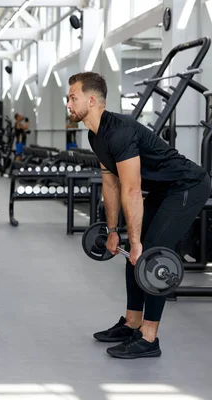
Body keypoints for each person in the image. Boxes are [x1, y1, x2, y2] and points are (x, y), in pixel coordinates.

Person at [66, 72, 210, 359]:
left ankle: (149, 336)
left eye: (73, 98)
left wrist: (135, 242)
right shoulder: (96, 136)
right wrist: (111, 231)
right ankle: (132, 323)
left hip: (187, 185)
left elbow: (131, 191)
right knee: (135, 254)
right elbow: (111, 184)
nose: (68, 104)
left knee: (152, 255)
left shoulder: (119, 130)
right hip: (162, 189)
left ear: (91, 100)